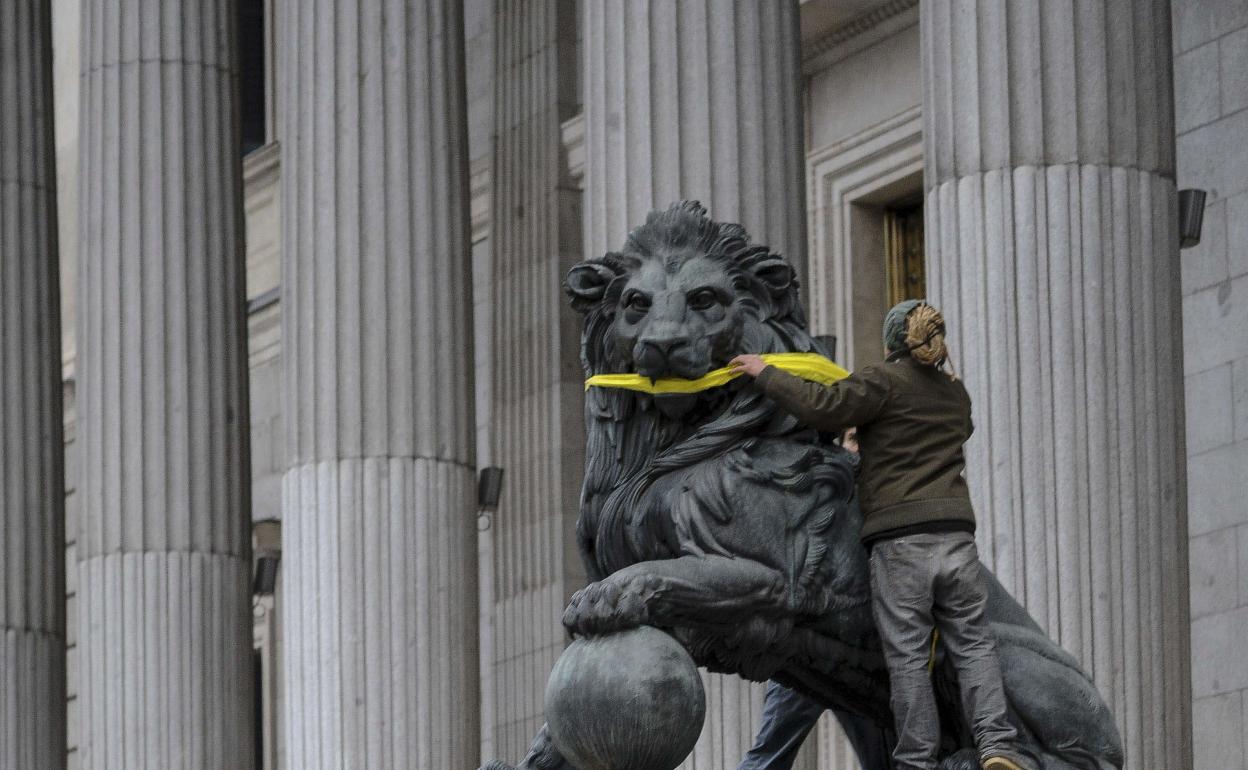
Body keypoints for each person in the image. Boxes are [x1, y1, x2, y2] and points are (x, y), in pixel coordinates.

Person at [730, 300, 1027, 770]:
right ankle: (997, 745)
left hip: (902, 541)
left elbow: (823, 407)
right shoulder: (955, 394)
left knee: (907, 656)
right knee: (973, 645)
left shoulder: (883, 382)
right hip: (956, 539)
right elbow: (963, 426)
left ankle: (914, 760)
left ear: (891, 343)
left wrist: (765, 372)